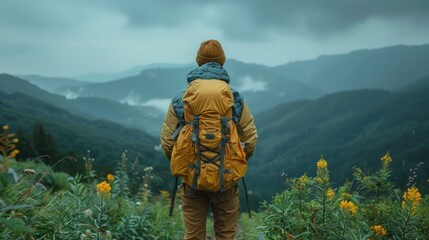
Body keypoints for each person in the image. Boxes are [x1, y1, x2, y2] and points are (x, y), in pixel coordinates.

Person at [160, 39, 257, 240]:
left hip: (192, 181)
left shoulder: (181, 98)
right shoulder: (234, 98)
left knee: (193, 236)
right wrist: (236, 159)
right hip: (227, 180)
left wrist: (184, 163)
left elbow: (167, 142)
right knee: (226, 235)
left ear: (198, 62)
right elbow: (251, 138)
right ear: (222, 62)